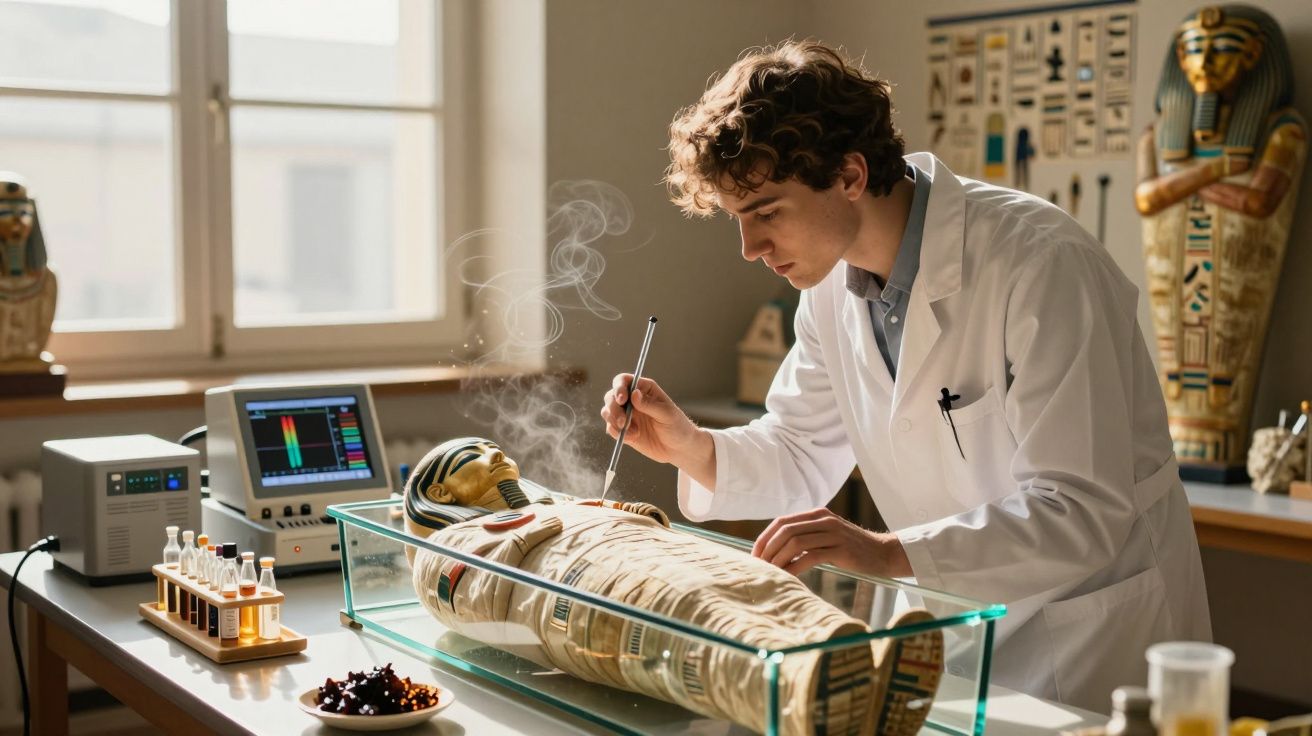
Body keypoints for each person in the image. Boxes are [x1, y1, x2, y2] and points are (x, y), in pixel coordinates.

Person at [599, 40, 1211, 712]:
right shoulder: (830, 290)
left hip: (1086, 635)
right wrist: (691, 445)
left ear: (851, 175)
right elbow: (803, 447)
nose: (750, 250)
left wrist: (888, 554)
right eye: (739, 222)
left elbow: (1081, 509)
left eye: (767, 213)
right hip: (951, 629)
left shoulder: (1041, 262)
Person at [403, 436, 945, 736]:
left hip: (643, 547)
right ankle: (801, 691)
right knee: (697, 620)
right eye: (471, 458)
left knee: (758, 583)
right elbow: (475, 594)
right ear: (442, 496)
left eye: (492, 447)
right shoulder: (443, 550)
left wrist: (599, 512)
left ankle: (856, 653)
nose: (496, 455)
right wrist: (546, 524)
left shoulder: (552, 504)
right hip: (587, 581)